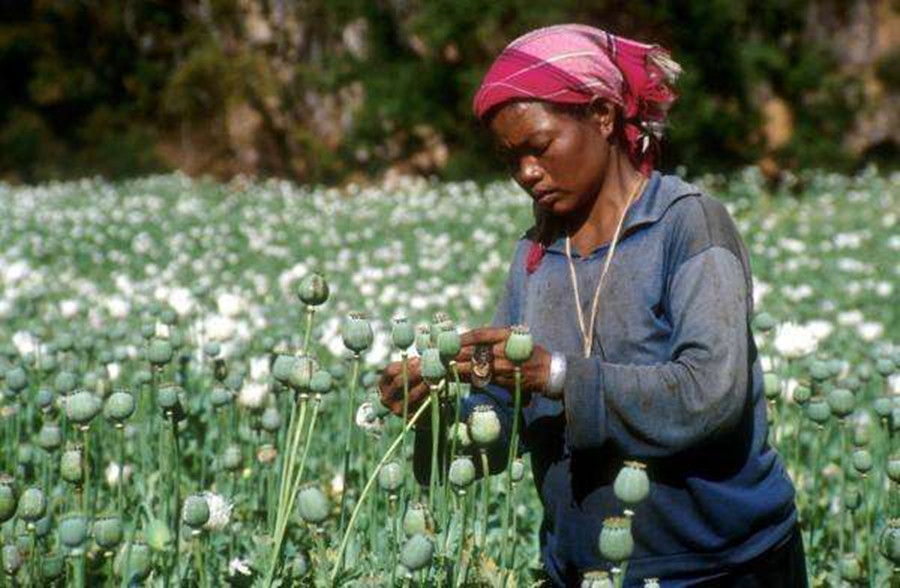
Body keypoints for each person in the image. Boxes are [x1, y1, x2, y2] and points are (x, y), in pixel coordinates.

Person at [378, 24, 806, 586]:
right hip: (583, 569)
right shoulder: (535, 255)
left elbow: (711, 393)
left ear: (603, 116)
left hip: (719, 565)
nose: (527, 174)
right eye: (512, 160)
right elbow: (504, 425)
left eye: (539, 146)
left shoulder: (687, 224)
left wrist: (556, 375)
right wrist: (432, 411)